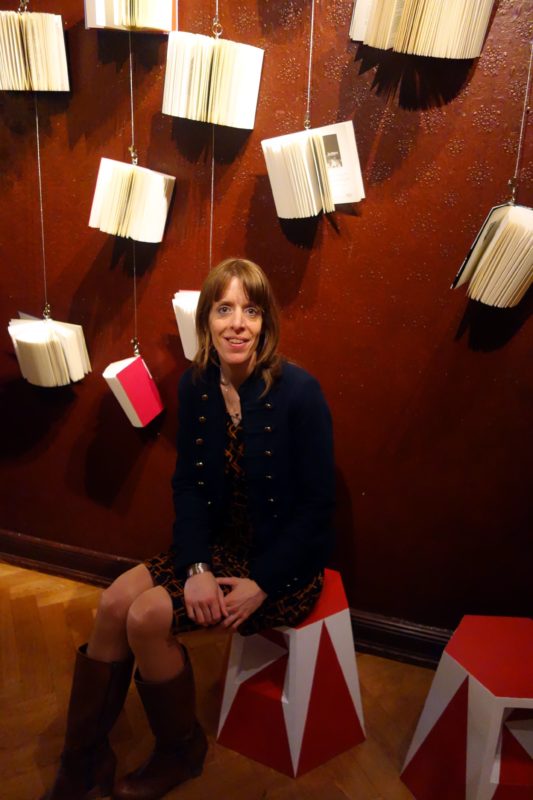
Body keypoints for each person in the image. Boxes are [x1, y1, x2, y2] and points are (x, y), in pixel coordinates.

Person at [43, 258, 335, 800]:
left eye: (251, 310)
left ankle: (181, 750)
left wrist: (263, 582)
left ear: (266, 322)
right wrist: (196, 565)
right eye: (224, 309)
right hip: (218, 549)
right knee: (113, 602)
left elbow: (318, 508)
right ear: (206, 321)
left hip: (281, 569)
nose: (237, 323)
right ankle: (84, 756)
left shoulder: (300, 392)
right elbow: (190, 488)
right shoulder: (198, 385)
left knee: (146, 617)